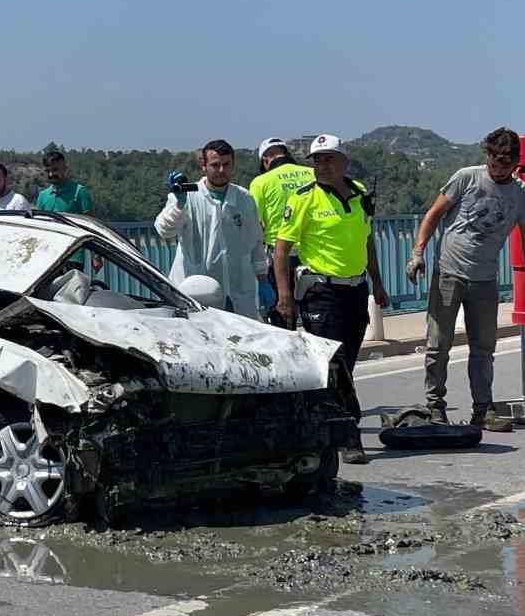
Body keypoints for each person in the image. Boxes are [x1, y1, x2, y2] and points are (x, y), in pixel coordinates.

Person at [406, 127, 525, 432]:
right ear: (488, 157)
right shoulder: (466, 177)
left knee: (483, 349)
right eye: (494, 162)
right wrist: (417, 252)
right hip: (449, 272)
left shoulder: (521, 194)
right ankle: (435, 406)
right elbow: (433, 215)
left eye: (506, 164)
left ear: (516, 162)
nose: (499, 169)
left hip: (485, 279)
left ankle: (483, 409)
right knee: (438, 344)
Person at [272, 133, 389, 464]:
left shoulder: (360, 195)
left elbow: (367, 242)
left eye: (328, 159)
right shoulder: (303, 199)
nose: (322, 165)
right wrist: (285, 298)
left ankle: (319, 425)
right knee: (334, 365)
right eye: (317, 160)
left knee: (347, 363)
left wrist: (378, 283)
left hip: (355, 290)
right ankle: (349, 435)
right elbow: (281, 250)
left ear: (343, 162)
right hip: (321, 291)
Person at [154, 139, 268, 318]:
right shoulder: (187, 196)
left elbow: (255, 243)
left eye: (226, 164)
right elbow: (164, 231)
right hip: (195, 292)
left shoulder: (244, 199)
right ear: (203, 166)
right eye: (215, 165)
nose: (222, 170)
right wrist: (179, 205)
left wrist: (263, 281)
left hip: (239, 292)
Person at [249, 138, 316, 318]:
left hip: (279, 257)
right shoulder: (313, 173)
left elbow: (255, 222)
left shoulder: (260, 182)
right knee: (317, 316)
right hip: (315, 256)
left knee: (283, 316)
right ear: (287, 153)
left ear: (265, 160)